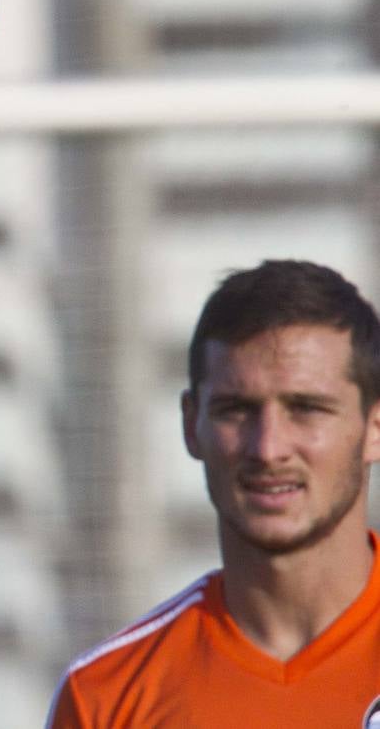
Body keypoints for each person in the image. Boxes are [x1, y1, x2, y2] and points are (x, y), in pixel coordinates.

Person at [47, 259, 380, 728]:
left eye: (306, 408)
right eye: (236, 410)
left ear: (374, 427)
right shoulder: (106, 696)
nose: (268, 448)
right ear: (191, 424)